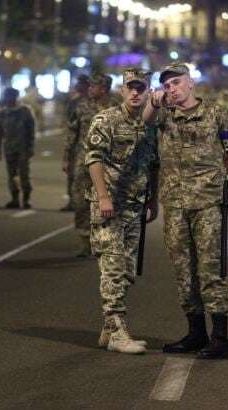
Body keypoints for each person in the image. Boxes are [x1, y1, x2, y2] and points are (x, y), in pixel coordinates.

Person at [143, 62, 228, 360]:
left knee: (210, 270)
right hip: (174, 204)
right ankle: (196, 333)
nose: (171, 89)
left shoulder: (216, 113)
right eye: (167, 85)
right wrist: (153, 100)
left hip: (206, 206)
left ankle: (220, 338)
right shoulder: (164, 114)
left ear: (191, 83)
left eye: (176, 83)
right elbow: (146, 122)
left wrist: (215, 177)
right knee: (183, 271)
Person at [84, 68, 159, 354]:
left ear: (148, 90)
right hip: (109, 207)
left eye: (141, 88)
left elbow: (153, 163)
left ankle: (108, 327)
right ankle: (117, 332)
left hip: (135, 205)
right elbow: (94, 159)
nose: (136, 92)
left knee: (127, 271)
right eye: (131, 87)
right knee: (113, 269)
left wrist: (153, 200)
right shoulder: (106, 120)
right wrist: (103, 197)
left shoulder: (150, 125)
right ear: (122, 90)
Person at [65, 73, 115, 257]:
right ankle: (85, 241)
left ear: (103, 88)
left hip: (107, 163)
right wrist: (66, 157)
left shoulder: (115, 109)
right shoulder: (81, 107)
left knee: (106, 202)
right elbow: (72, 133)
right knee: (79, 201)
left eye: (93, 86)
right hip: (82, 161)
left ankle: (104, 240)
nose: (89, 89)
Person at [0, 88, 35, 209]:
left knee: (24, 174)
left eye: (9, 97)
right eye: (6, 97)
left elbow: (31, 131)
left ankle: (26, 199)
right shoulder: (3, 112)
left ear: (14, 97)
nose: (7, 99)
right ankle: (14, 198)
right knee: (11, 175)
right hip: (9, 148)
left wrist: (30, 148)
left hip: (23, 148)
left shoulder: (25, 111)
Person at [61, 74, 90, 212]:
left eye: (81, 83)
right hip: (76, 144)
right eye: (78, 83)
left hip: (90, 145)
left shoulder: (92, 102)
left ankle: (86, 201)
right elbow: (70, 124)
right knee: (71, 174)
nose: (78, 86)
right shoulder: (74, 102)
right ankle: (72, 201)